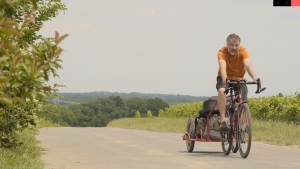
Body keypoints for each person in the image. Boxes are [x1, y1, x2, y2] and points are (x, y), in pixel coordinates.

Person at [216, 33, 258, 131]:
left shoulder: (243, 51)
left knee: (242, 100)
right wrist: (225, 78)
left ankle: (241, 124)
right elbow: (223, 67)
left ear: (239, 45)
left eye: (236, 45)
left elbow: (248, 66)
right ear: (227, 45)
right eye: (231, 45)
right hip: (224, 77)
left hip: (239, 78)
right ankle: (223, 120)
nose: (234, 48)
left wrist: (254, 78)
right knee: (222, 91)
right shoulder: (222, 52)